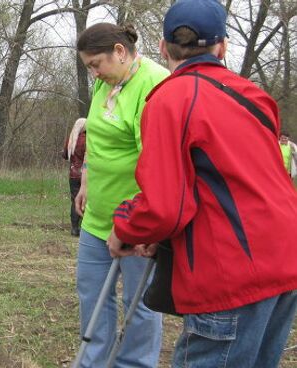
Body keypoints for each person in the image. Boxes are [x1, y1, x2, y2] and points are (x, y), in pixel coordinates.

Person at [107, 1, 297, 367]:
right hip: (285, 257)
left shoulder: (169, 99)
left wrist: (126, 227)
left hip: (231, 272)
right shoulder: (255, 97)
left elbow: (164, 207)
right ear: (222, 47)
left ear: (162, 48)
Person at [73, 22, 168, 367]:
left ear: (119, 51)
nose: (94, 73)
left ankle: (135, 363)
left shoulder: (154, 84)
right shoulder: (105, 81)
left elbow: (156, 163)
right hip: (97, 217)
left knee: (139, 304)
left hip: (135, 220)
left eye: (96, 64)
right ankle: (94, 361)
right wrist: (85, 180)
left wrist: (135, 224)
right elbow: (95, 140)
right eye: (89, 68)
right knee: (92, 295)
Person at [61, 118, 86, 236]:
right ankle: (84, 227)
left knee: (74, 200)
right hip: (86, 174)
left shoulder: (71, 139)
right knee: (86, 200)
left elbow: (65, 155)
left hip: (73, 174)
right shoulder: (89, 138)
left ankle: (74, 228)